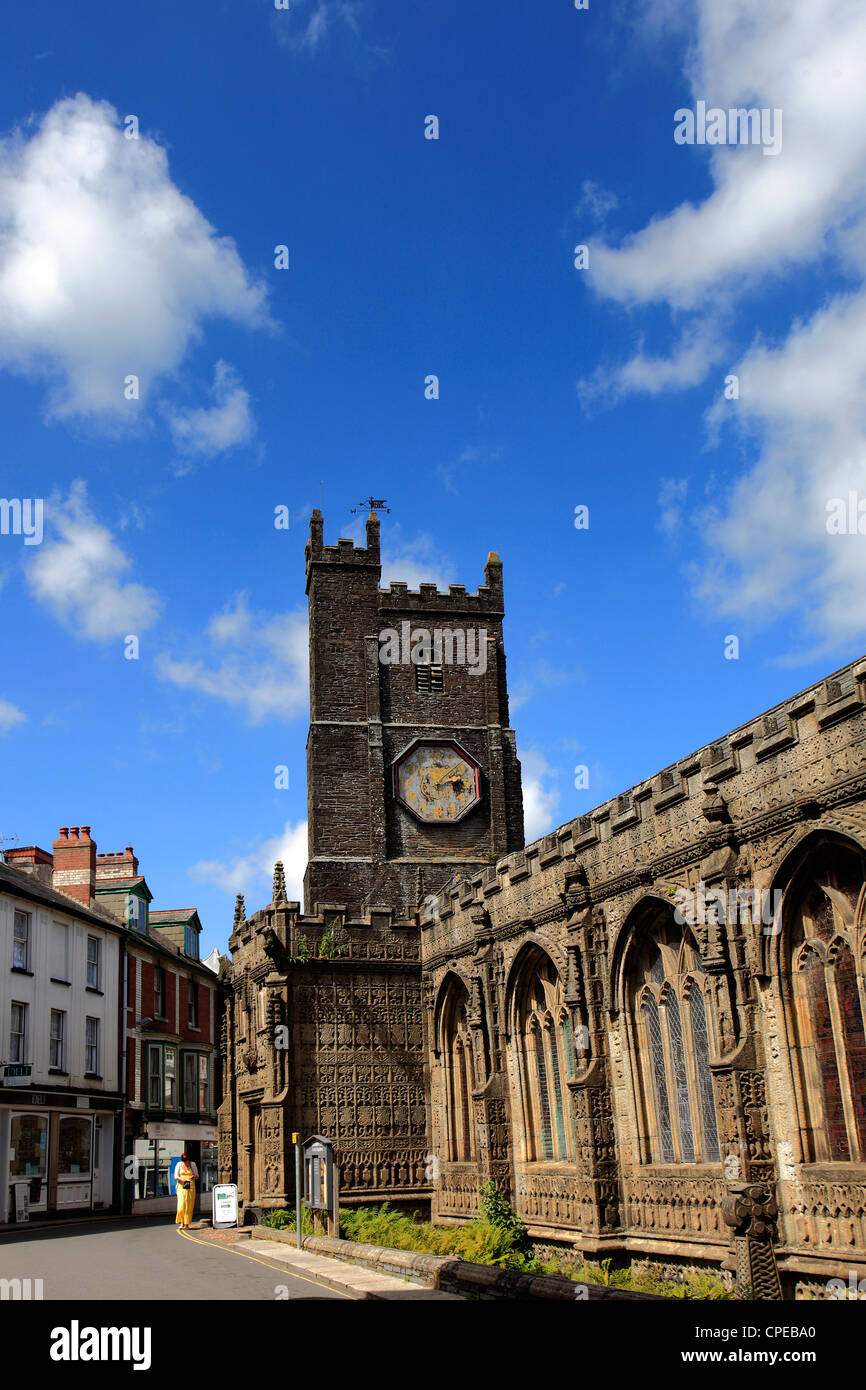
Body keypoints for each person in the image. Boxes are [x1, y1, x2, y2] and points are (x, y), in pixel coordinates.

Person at [174, 1152, 199, 1229]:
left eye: (186, 1160)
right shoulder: (179, 1164)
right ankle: (182, 1222)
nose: (185, 1162)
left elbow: (197, 1175)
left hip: (190, 1186)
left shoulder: (193, 1164)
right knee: (181, 1205)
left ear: (188, 1159)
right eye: (184, 1161)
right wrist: (182, 1179)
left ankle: (187, 1223)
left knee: (189, 1206)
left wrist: (193, 1176)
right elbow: (176, 1176)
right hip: (181, 1186)